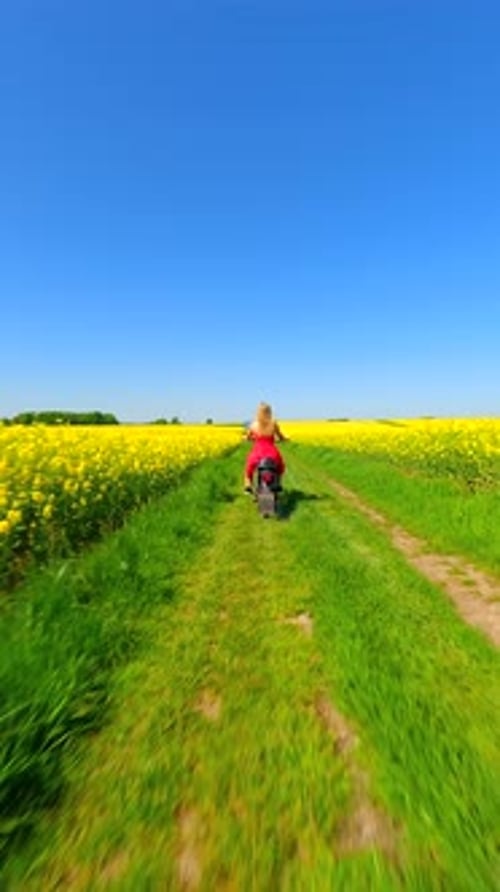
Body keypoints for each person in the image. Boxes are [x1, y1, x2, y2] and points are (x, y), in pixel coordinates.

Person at [243, 402, 287, 493]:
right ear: (270, 412)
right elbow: (280, 436)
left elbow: (248, 437)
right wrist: (284, 439)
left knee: (249, 467)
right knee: (280, 466)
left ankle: (248, 485)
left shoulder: (253, 425)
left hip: (258, 453)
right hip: (271, 453)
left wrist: (247, 438)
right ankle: (278, 482)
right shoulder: (273, 423)